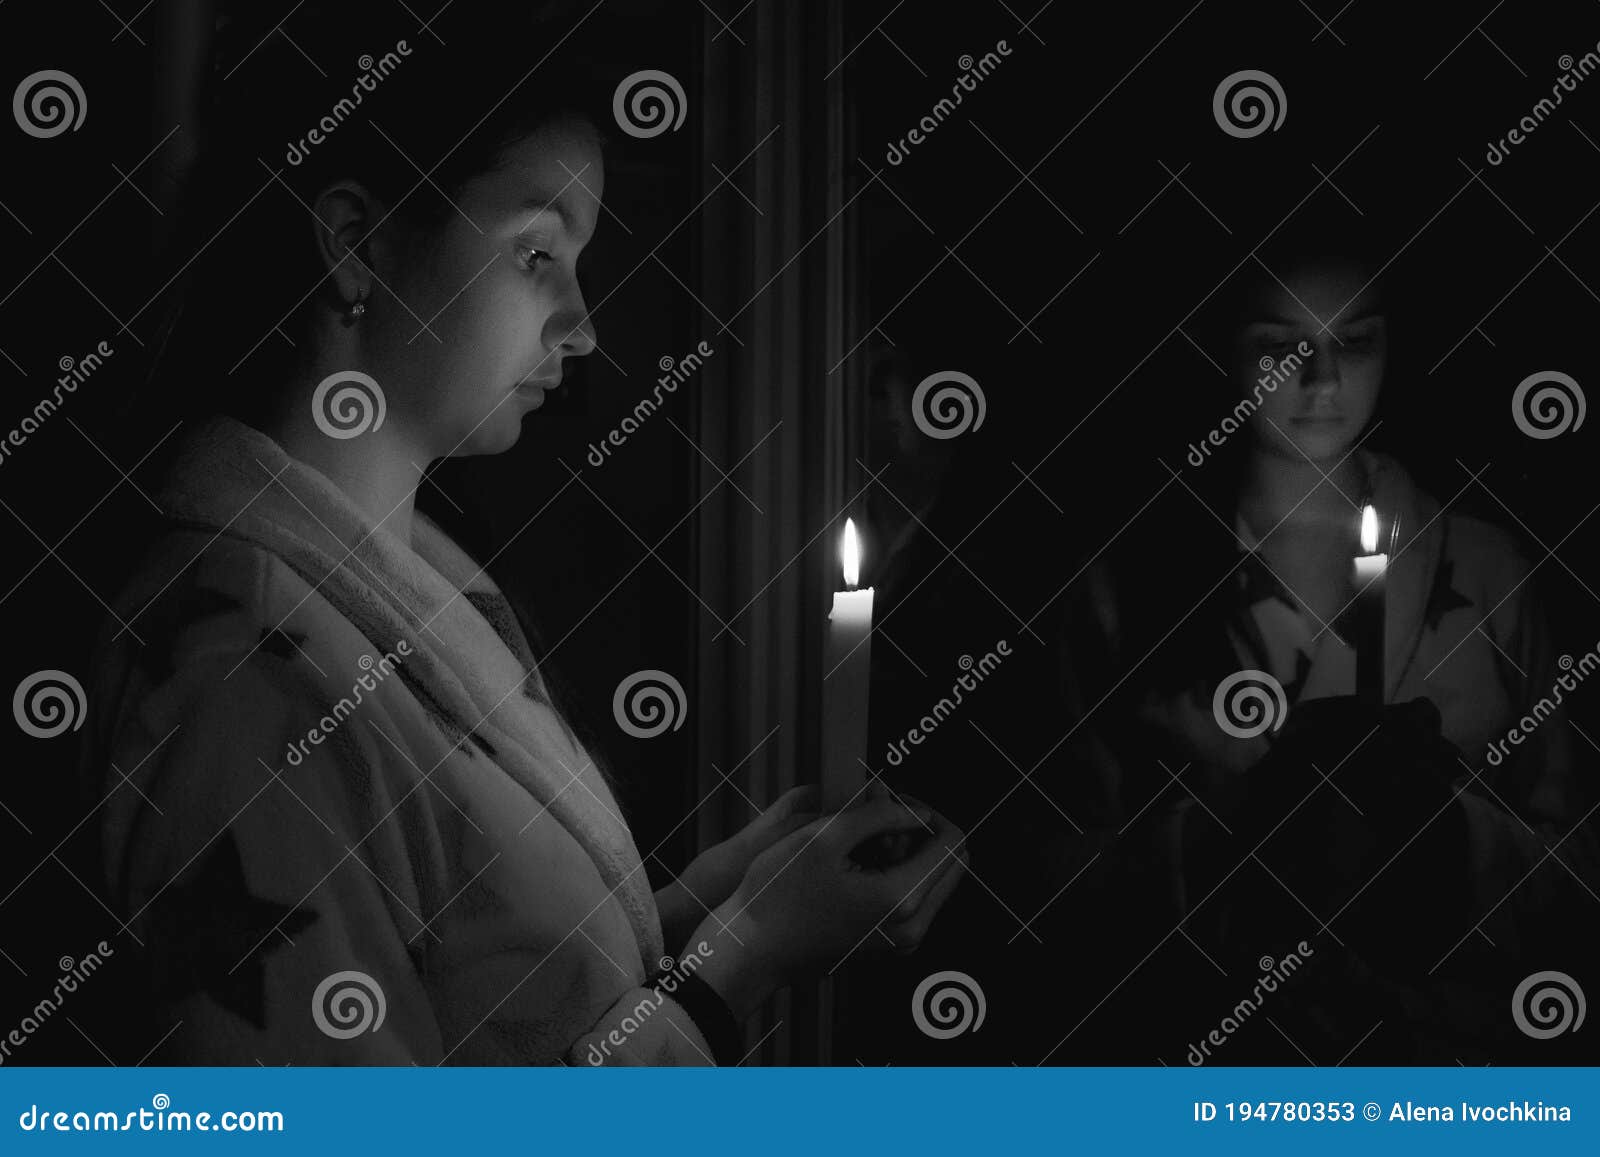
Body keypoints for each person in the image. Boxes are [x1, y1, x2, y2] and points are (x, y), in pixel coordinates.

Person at [77, 4, 966, 1065]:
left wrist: (714, 904)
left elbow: (492, 998)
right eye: (536, 252)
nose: (581, 326)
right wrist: (738, 966)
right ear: (356, 244)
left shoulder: (411, 582)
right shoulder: (241, 676)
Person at [1046, 219, 1598, 1063]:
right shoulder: (1124, 585)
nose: (1323, 378)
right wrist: (1252, 824)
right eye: (1282, 344)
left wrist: (1443, 831)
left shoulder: (1487, 567)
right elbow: (1061, 887)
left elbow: (1577, 868)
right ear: (1222, 347)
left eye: (1356, 340)